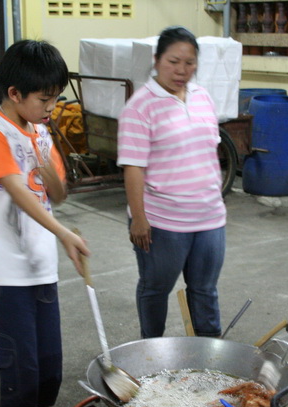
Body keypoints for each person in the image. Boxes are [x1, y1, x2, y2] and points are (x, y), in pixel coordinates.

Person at [0, 40, 89, 407]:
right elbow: (19, 194)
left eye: (56, 97)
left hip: (40, 271)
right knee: (15, 375)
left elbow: (58, 193)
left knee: (45, 371)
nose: (52, 106)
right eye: (45, 98)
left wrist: (43, 161)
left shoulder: (39, 130)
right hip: (1, 276)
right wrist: (64, 235)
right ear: (15, 93)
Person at [117, 26, 227, 338]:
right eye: (173, 61)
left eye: (189, 63)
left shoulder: (203, 96)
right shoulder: (140, 106)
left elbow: (209, 151)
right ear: (156, 60)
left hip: (209, 218)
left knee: (205, 291)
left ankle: (210, 356)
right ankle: (152, 353)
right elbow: (134, 168)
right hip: (163, 222)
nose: (182, 70)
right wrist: (139, 218)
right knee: (155, 289)